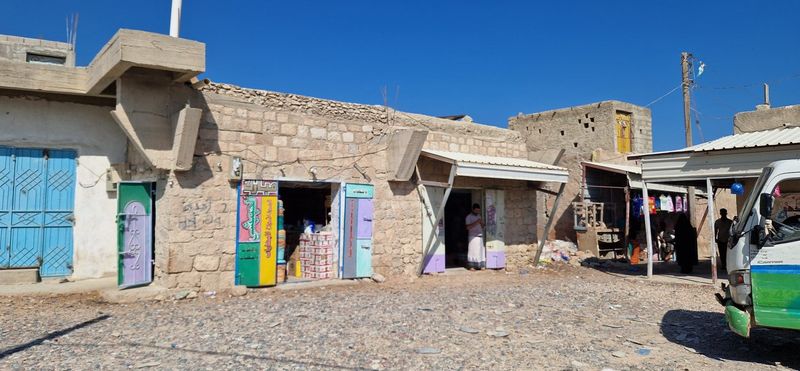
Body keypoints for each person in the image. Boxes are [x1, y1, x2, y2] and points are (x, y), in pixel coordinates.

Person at [465, 203, 486, 270]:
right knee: (473, 252)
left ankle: (480, 265)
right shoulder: (469, 217)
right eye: (476, 210)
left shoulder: (479, 216)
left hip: (480, 236)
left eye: (478, 210)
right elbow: (468, 227)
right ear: (473, 210)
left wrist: (482, 223)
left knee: (480, 252)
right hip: (473, 237)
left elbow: (482, 227)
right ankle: (472, 266)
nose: (477, 212)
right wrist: (477, 222)